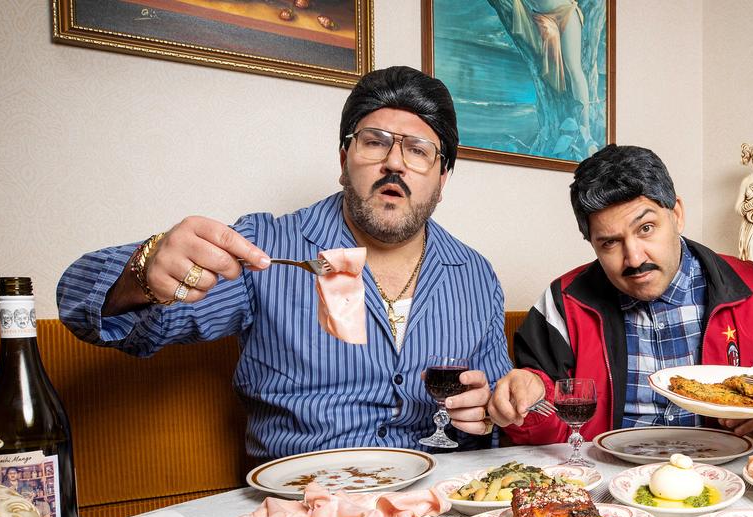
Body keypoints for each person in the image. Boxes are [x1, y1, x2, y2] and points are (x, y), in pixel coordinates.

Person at [58, 66, 510, 462]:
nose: (394, 162)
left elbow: (498, 404)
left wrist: (490, 410)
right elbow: (95, 311)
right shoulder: (265, 248)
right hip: (301, 514)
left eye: (418, 150)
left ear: (442, 177)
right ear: (343, 160)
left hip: (443, 509)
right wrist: (145, 270)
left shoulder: (475, 276)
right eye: (375, 143)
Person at [488, 144, 753, 444]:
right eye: (609, 243)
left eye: (646, 228)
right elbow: (549, 437)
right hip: (608, 478)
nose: (633, 258)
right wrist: (528, 402)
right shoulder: (560, 305)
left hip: (725, 478)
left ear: (677, 215)